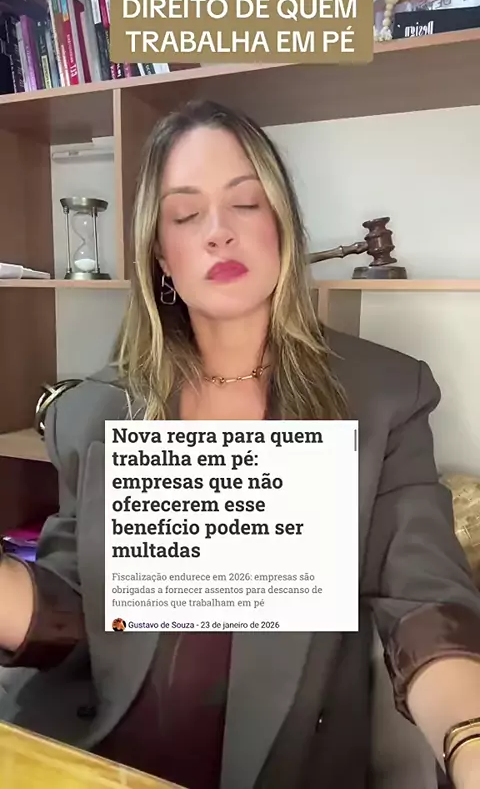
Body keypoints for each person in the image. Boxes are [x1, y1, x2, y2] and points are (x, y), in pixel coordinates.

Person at [1, 98, 480, 789]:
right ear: (160, 255)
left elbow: (425, 607)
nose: (218, 232)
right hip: (100, 762)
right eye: (185, 215)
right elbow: (81, 612)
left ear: (283, 225)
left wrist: (468, 741)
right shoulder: (98, 411)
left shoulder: (382, 397)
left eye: (245, 203)